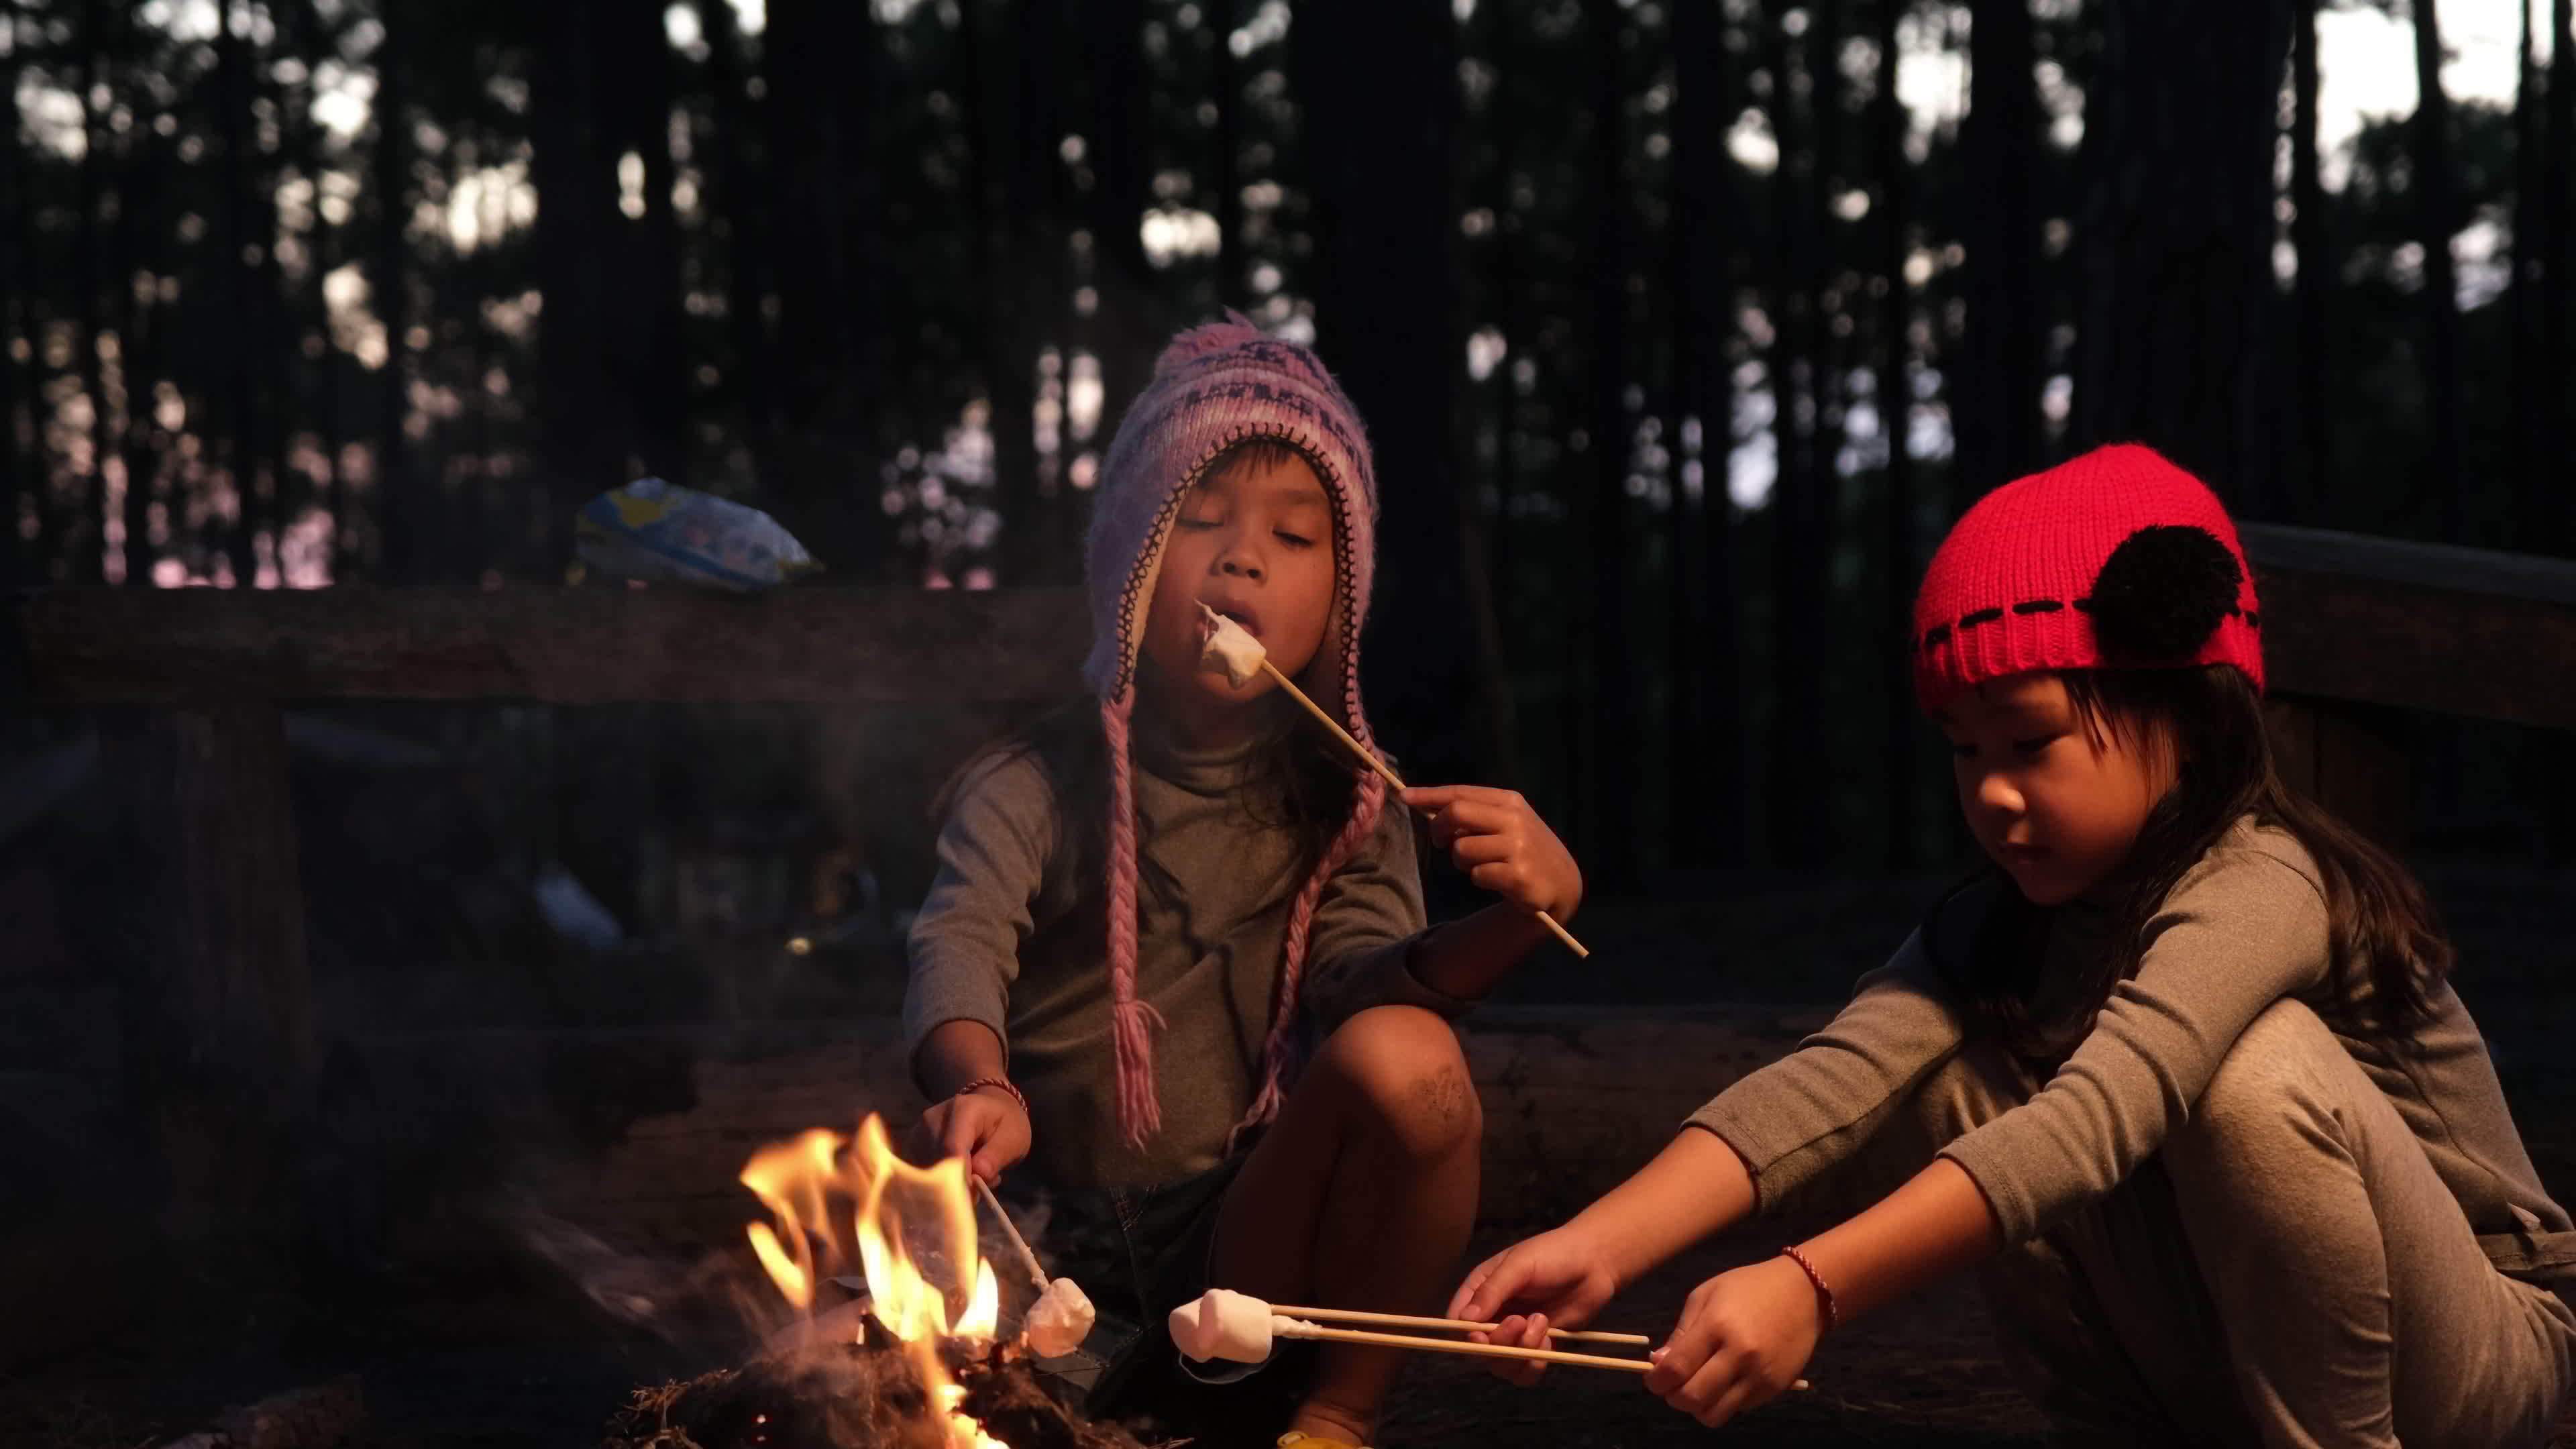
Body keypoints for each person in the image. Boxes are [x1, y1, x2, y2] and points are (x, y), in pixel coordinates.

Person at [1452, 443, 2576, 1446]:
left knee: (2250, 1076)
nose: (1990, 792)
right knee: (1954, 1068)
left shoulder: (2265, 882)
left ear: (2186, 712)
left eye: (2031, 742)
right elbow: (1830, 1082)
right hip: (2228, 1340)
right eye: (1961, 749)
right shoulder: (2007, 917)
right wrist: (1600, 1245)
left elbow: (2100, 1117)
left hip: (2476, 1359)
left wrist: (1811, 1285)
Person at [905, 315, 1582, 1449]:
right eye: (1199, 519)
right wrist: (982, 1083)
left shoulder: (1351, 797)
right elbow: (958, 939)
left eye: (1295, 535)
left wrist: (1526, 916)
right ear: (1126, 559)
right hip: (1038, 1245)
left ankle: (1335, 1416)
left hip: (1239, 1256)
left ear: (1343, 594)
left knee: (1409, 1059)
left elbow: (1373, 1003)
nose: (1242, 558)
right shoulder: (1034, 779)